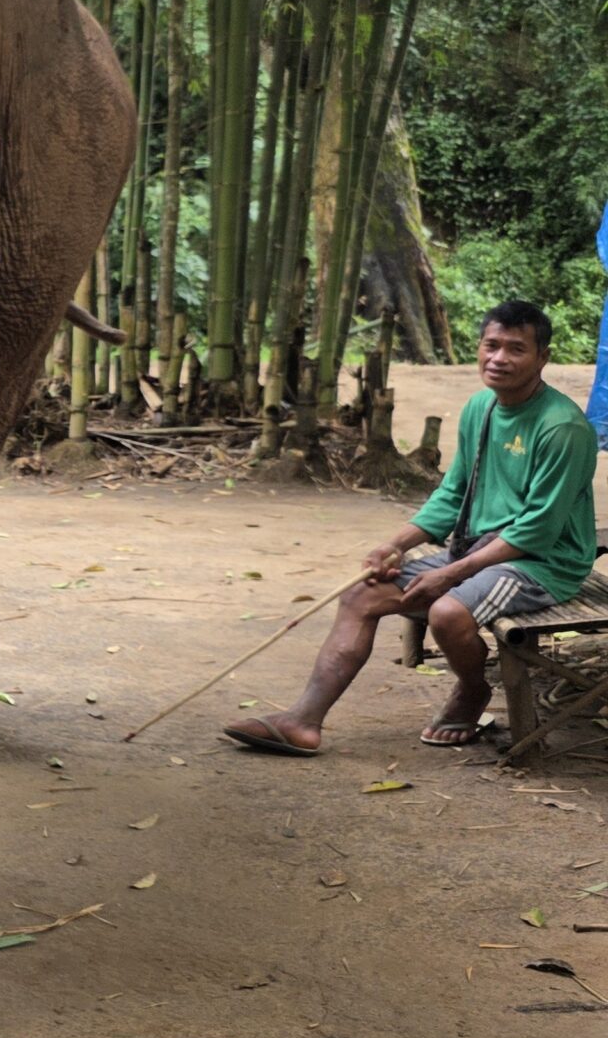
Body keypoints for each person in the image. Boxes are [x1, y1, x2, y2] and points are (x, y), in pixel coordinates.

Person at [224, 300, 599, 757]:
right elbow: (453, 494)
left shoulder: (562, 428)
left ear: (542, 358)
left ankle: (472, 689)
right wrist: (395, 544)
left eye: (516, 349)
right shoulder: (481, 407)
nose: (499, 358)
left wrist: (448, 575)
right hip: (478, 548)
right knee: (361, 592)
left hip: (543, 563)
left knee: (446, 611)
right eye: (491, 345)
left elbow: (536, 532)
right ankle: (303, 721)